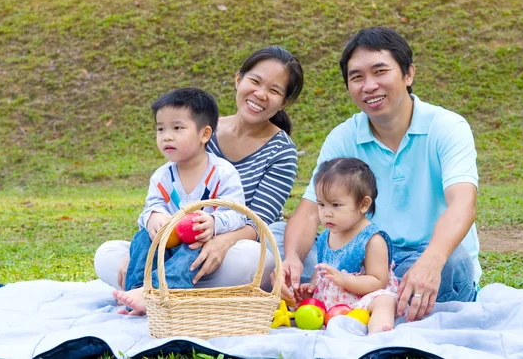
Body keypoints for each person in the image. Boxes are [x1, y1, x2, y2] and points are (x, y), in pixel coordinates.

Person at [278, 26, 480, 323]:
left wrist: (431, 262)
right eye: (357, 77)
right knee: (282, 238)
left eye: (380, 71)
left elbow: (463, 204)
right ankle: (371, 302)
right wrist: (292, 258)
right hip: (361, 262)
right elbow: (309, 212)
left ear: (408, 74)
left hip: (424, 256)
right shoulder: (344, 137)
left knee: (453, 261)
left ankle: (366, 303)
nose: (369, 86)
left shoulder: (447, 127)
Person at [94, 46, 304, 294]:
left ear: (285, 102)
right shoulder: (201, 130)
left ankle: (158, 287)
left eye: (274, 90)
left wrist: (220, 243)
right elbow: (164, 202)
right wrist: (141, 253)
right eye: (255, 81)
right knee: (107, 255)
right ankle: (161, 284)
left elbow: (258, 223)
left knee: (254, 261)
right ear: (239, 79)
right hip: (179, 243)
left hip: (236, 244)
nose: (260, 94)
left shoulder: (281, 151)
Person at [113, 87, 247, 315]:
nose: (166, 136)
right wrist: (153, 217)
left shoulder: (223, 173)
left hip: (198, 249)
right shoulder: (162, 176)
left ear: (204, 134)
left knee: (196, 246)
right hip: (165, 248)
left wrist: (214, 222)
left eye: (177, 128)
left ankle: (156, 292)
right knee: (141, 239)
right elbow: (149, 208)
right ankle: (136, 291)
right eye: (160, 129)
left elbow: (239, 214)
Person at [298, 158, 399, 334]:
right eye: (321, 204)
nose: (326, 212)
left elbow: (378, 281)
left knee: (385, 301)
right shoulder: (325, 237)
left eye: (336, 205)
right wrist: (313, 285)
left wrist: (345, 280)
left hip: (362, 300)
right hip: (331, 301)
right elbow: (322, 269)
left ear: (363, 204)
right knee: (298, 299)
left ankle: (379, 334)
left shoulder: (372, 240)